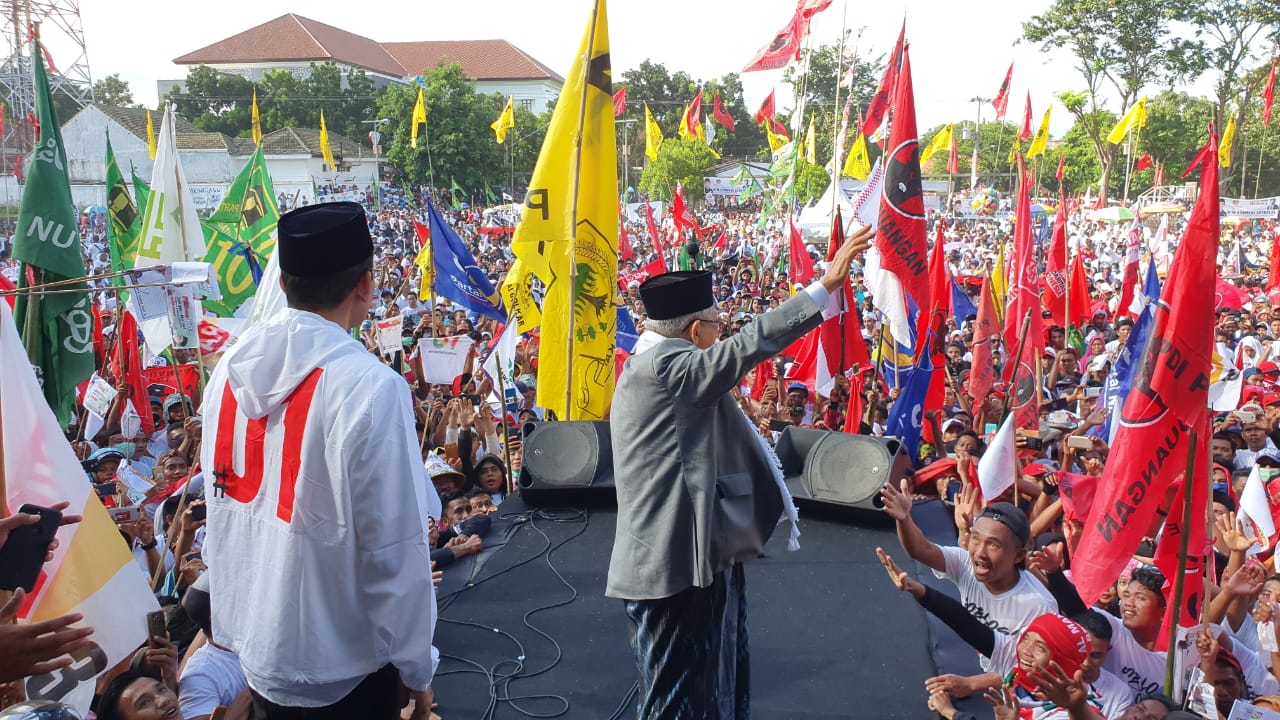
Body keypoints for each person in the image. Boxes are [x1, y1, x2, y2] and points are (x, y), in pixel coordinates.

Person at [606, 224, 873, 718]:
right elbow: (749, 345)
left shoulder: (655, 367)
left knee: (709, 691)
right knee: (675, 703)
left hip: (693, 558)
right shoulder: (671, 369)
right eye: (715, 323)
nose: (720, 332)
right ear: (693, 331)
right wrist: (827, 285)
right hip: (674, 569)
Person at [202, 202, 438, 719]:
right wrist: (417, 670)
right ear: (366, 286)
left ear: (283, 285)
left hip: (259, 655)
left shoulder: (224, 376)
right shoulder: (372, 388)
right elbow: (394, 551)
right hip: (344, 673)